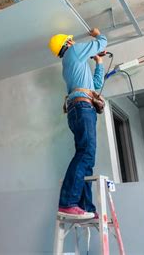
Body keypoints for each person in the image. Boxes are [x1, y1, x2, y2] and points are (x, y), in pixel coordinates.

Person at [48, 28, 107, 220]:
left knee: (87, 159)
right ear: (68, 44)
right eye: (71, 41)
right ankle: (67, 203)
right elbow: (102, 42)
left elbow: (96, 85)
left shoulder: (73, 63)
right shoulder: (73, 53)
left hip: (80, 108)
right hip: (82, 108)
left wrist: (98, 62)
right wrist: (97, 34)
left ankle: (86, 207)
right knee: (86, 154)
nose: (74, 42)